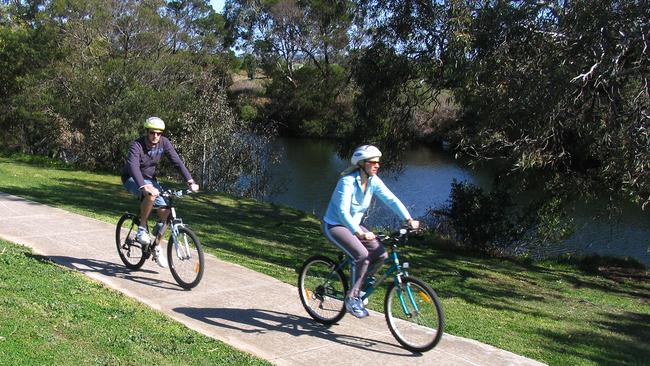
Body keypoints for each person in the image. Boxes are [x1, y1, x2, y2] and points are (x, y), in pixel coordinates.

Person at [323, 145, 419, 318]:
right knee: (361, 255)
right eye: (373, 162)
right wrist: (358, 233)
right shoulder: (347, 182)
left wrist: (408, 219)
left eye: (378, 162)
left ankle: (359, 287)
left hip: (355, 225)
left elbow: (391, 199)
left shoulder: (373, 181)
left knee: (381, 254)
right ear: (362, 164)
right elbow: (343, 212)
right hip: (336, 225)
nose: (377, 165)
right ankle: (351, 299)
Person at [121, 116, 199, 268]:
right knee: (151, 195)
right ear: (147, 132)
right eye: (152, 133)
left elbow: (177, 162)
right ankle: (141, 229)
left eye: (158, 133)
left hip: (150, 179)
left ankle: (156, 245)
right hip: (131, 178)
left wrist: (190, 180)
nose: (155, 136)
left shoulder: (164, 143)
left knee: (166, 212)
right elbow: (133, 167)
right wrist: (144, 186)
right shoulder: (136, 145)